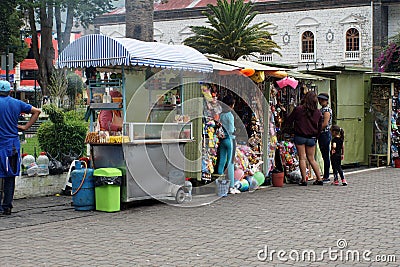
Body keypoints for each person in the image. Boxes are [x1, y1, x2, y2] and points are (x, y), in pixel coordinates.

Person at [0, 80, 41, 215]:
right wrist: (25, 127)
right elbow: (36, 111)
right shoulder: (16, 103)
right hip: (11, 146)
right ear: (10, 91)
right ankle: (7, 206)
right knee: (10, 176)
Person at [285, 91, 324, 186]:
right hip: (312, 138)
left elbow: (289, 120)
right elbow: (320, 127)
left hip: (300, 136)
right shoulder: (318, 112)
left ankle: (304, 180)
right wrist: (316, 136)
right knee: (311, 159)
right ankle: (319, 178)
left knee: (302, 158)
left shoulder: (298, 109)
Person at [215, 95, 240, 194]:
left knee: (221, 161)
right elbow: (231, 129)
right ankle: (232, 186)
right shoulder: (230, 115)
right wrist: (235, 129)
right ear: (231, 105)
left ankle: (219, 184)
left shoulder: (221, 115)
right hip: (230, 140)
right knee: (230, 163)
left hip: (222, 140)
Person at [317, 92, 332, 183]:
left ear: (326, 101)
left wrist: (317, 130)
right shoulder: (322, 109)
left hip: (325, 134)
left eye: (322, 100)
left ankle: (326, 175)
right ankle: (325, 175)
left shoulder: (326, 110)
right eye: (320, 99)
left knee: (326, 155)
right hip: (322, 134)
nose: (320, 101)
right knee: (324, 154)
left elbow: (325, 123)